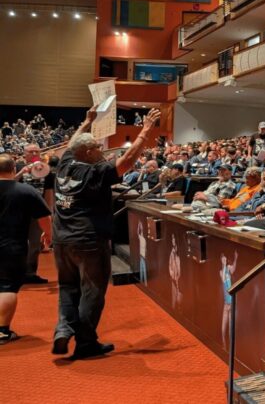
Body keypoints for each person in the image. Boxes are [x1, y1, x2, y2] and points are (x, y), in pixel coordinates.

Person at [52, 106, 161, 358]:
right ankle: (86, 342)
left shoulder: (65, 164)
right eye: (98, 148)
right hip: (89, 240)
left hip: (62, 240)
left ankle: (63, 329)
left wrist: (87, 121)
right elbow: (127, 161)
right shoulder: (95, 172)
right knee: (93, 291)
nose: (102, 151)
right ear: (89, 152)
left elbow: (72, 142)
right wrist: (145, 131)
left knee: (67, 287)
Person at [0, 154, 52, 344]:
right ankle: (2, 331)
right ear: (13, 169)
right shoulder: (26, 191)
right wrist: (48, 235)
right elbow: (45, 217)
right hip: (12, 246)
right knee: (7, 287)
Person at [14, 142, 54, 284]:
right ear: (24, 154)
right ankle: (16, 273)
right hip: (18, 212)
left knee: (35, 244)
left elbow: (49, 193)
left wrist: (50, 213)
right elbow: (7, 184)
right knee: (17, 243)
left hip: (37, 213)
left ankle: (30, 273)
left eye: (37, 151)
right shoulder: (17, 167)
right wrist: (21, 172)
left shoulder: (46, 170)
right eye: (31, 152)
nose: (34, 154)